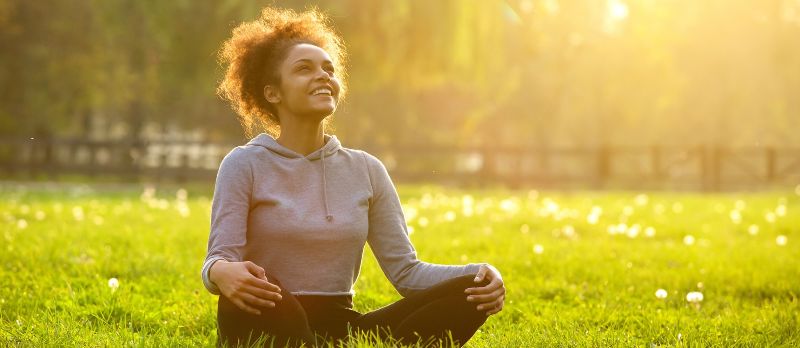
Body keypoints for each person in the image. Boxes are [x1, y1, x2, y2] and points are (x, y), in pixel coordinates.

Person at [202, 7, 505, 347]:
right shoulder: (244, 164)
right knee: (269, 296)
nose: (322, 76)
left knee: (471, 291)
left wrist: (480, 273)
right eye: (304, 69)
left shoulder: (366, 169)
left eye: (328, 69)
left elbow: (407, 273)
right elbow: (220, 259)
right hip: (265, 312)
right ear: (273, 92)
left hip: (340, 326)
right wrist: (219, 272)